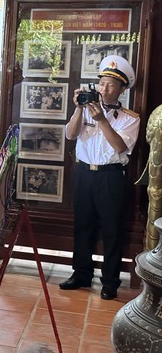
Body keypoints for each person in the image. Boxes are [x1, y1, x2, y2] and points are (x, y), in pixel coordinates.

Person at [59, 55, 140, 300]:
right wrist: (78, 109)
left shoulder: (130, 118)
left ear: (122, 89)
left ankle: (110, 281)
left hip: (110, 177)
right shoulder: (85, 108)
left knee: (112, 230)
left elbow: (119, 147)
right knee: (82, 226)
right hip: (84, 173)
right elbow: (71, 136)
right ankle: (81, 274)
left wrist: (102, 120)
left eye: (111, 85)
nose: (104, 89)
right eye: (102, 83)